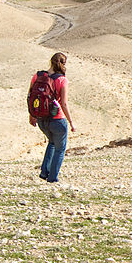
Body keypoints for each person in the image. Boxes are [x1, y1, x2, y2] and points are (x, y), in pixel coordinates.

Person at [30, 52, 76, 183]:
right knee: (60, 149)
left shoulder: (38, 76)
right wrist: (71, 122)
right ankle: (52, 177)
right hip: (57, 119)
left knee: (51, 142)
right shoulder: (62, 80)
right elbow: (64, 103)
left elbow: (30, 97)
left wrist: (32, 115)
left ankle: (44, 172)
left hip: (41, 119)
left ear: (50, 61)